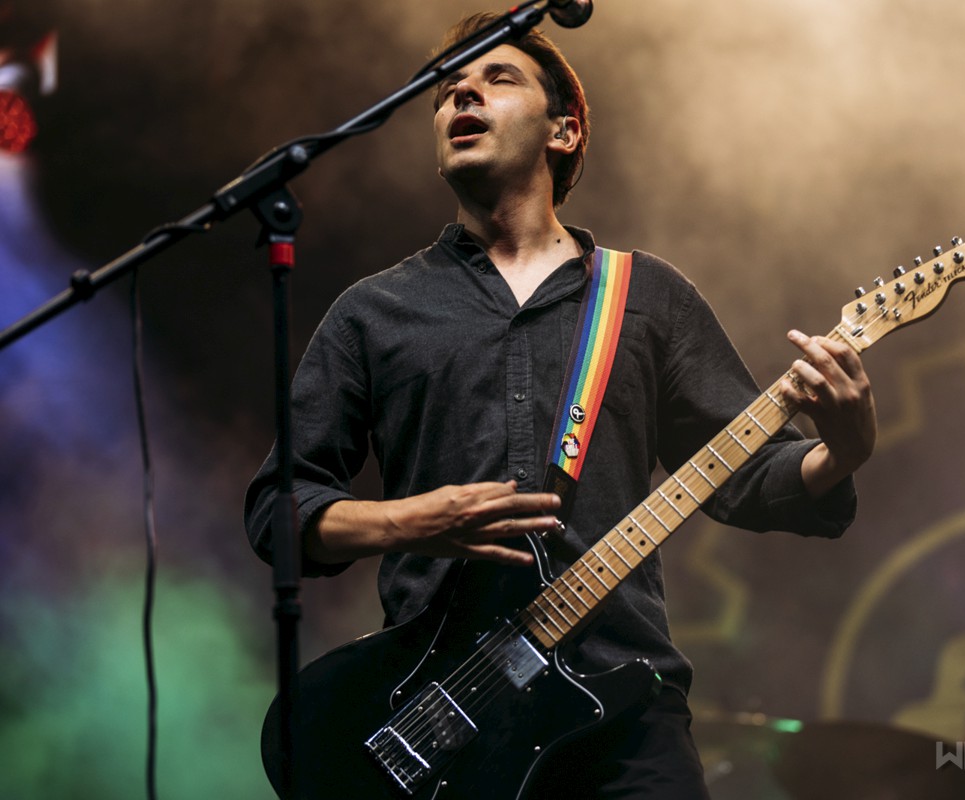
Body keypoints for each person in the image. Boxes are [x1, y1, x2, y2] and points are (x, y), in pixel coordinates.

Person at [244, 12, 876, 799]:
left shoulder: (646, 297)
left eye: (497, 78)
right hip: (441, 723)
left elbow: (746, 476)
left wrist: (843, 449)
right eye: (447, 91)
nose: (462, 95)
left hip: (622, 707)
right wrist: (410, 522)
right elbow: (278, 510)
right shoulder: (373, 313)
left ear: (564, 131)